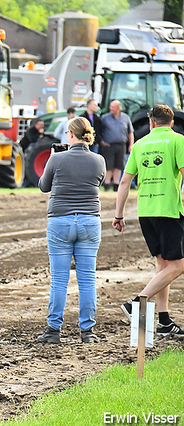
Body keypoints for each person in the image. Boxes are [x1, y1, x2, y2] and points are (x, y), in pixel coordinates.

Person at [114, 105, 184, 337]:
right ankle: (137, 302)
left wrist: (119, 215)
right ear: (171, 123)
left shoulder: (139, 144)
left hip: (146, 211)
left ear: (151, 123)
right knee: (178, 266)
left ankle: (164, 320)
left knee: (163, 265)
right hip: (168, 211)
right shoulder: (177, 140)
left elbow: (124, 183)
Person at [36, 117, 106, 344]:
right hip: (89, 221)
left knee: (59, 279)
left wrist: (53, 159)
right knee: (87, 279)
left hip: (60, 221)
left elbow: (43, 186)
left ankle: (53, 330)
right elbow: (97, 182)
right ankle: (88, 331)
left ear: (70, 135)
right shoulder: (99, 160)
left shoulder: (56, 158)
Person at [100, 100, 134, 191]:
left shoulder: (125, 118)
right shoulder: (105, 118)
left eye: (113, 107)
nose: (111, 109)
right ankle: (106, 185)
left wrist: (131, 144)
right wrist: (102, 142)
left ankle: (116, 185)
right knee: (109, 166)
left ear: (118, 108)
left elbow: (130, 132)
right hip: (109, 145)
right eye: (111, 107)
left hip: (121, 144)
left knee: (119, 166)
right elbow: (99, 131)